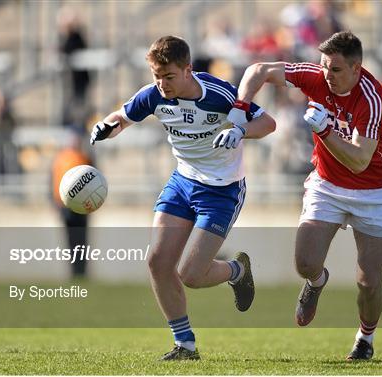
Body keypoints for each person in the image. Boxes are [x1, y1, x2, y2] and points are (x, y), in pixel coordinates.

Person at [90, 36, 276, 360]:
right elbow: (122, 116)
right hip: (182, 182)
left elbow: (268, 123)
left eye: (169, 76)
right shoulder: (153, 95)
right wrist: (107, 126)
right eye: (156, 76)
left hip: (222, 190)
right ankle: (185, 345)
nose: (162, 84)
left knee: (191, 275)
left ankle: (237, 271)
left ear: (188, 70)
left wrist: (240, 130)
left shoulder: (219, 94)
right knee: (158, 262)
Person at [230, 31, 382, 361]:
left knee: (369, 282)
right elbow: (260, 70)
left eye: (335, 69)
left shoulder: (372, 97)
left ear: (356, 68)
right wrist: (240, 108)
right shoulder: (316, 77)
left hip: (373, 192)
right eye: (324, 67)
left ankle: (365, 338)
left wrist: (323, 130)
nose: (327, 76)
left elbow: (360, 159)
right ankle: (317, 281)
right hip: (326, 185)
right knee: (305, 263)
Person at [51, 127, 92, 278]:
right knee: (70, 239)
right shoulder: (60, 158)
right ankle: (74, 271)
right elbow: (52, 181)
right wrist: (55, 203)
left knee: (82, 239)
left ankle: (82, 271)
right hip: (65, 206)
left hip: (82, 206)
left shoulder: (84, 157)